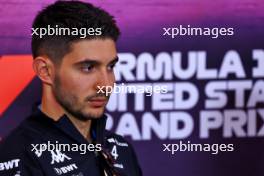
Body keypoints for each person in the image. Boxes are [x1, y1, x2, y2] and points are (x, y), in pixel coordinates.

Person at [0, 1, 142, 176]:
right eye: (88, 67)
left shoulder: (120, 149)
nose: (105, 85)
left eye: (110, 67)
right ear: (45, 71)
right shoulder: (20, 157)